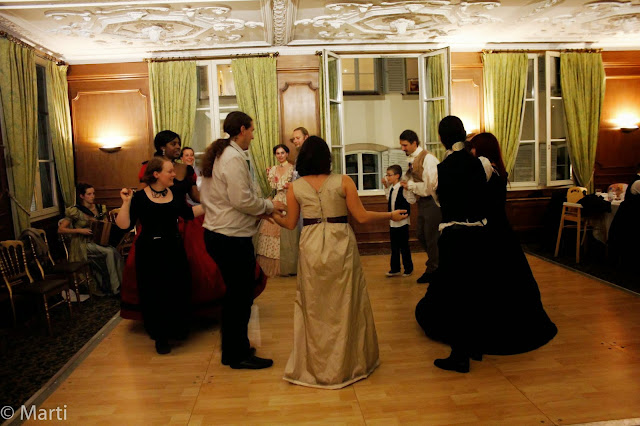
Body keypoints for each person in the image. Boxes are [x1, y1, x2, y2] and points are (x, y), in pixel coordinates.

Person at [272, 136, 408, 389]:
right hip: (340, 242)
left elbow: (289, 224)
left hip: (311, 243)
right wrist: (390, 214)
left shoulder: (295, 187)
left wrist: (269, 213)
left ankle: (317, 363)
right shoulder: (344, 181)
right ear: (327, 157)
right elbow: (362, 217)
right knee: (346, 300)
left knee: (313, 304)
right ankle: (348, 363)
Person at [200, 111, 286, 370]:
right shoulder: (232, 157)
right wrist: (269, 206)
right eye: (252, 130)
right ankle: (237, 355)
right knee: (240, 297)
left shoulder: (222, 154)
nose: (253, 135)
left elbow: (226, 199)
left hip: (221, 234)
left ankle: (233, 350)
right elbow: (242, 200)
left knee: (235, 296)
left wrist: (260, 211)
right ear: (241, 130)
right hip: (230, 237)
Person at [468, 132, 557, 356]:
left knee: (494, 280)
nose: (471, 151)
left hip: (490, 231)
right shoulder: (498, 170)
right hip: (501, 230)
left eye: (474, 147)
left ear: (481, 150)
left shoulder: (488, 172)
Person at [414, 116, 490, 373]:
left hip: (455, 236)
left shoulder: (441, 169)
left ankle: (460, 356)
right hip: (479, 234)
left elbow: (439, 200)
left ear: (441, 138)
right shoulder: (480, 163)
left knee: (457, 296)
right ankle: (475, 347)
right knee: (476, 292)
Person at [115, 157, 204, 355]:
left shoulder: (175, 193)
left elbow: (188, 214)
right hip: (150, 252)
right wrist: (126, 203)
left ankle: (176, 329)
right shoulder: (139, 197)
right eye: (169, 171)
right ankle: (160, 336)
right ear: (156, 174)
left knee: (177, 289)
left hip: (174, 248)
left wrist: (212, 205)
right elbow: (123, 225)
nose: (174, 174)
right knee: (155, 293)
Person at [58, 183, 123, 296]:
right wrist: (80, 230)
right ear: (82, 196)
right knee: (109, 252)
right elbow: (61, 229)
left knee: (115, 252)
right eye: (89, 194)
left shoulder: (99, 208)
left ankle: (120, 285)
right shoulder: (75, 210)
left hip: (97, 240)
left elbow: (105, 223)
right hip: (82, 243)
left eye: (93, 193)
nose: (92, 196)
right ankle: (115, 288)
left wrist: (105, 224)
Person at [399, 130, 441, 284]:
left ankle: (434, 269)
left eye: (405, 145)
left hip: (433, 202)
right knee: (421, 235)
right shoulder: (412, 159)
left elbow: (431, 186)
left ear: (414, 143)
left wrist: (410, 185)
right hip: (422, 202)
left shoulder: (428, 159)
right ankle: (435, 265)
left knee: (431, 237)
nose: (402, 148)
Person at [255, 144, 299, 277]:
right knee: (269, 229)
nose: (280, 155)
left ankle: (287, 264)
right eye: (278, 153)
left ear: (287, 154)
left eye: (282, 153)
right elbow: (274, 186)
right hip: (277, 199)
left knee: (288, 232)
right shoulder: (273, 169)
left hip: (289, 199)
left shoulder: (292, 169)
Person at [382, 164, 414, 277]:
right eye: (387, 175)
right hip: (393, 222)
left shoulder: (402, 188)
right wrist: (386, 187)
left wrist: (408, 189)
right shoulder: (392, 188)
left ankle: (408, 268)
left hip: (403, 221)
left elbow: (411, 200)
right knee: (394, 247)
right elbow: (389, 198)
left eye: (389, 175)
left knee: (404, 246)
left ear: (397, 176)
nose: (387, 177)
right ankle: (395, 268)